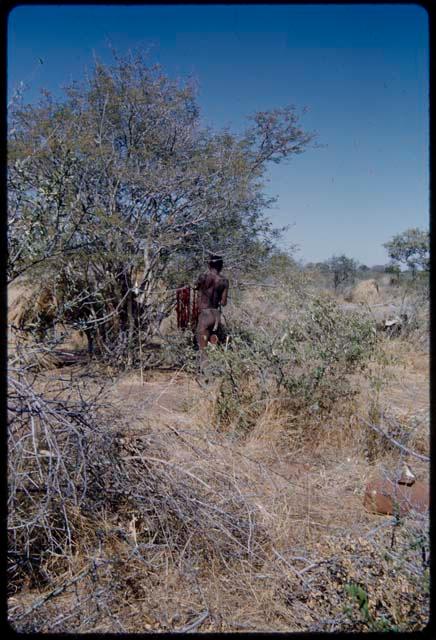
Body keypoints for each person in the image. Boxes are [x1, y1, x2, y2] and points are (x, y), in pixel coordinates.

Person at [195, 254, 229, 355]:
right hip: (216, 315)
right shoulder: (224, 281)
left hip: (205, 314)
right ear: (221, 266)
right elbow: (223, 303)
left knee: (202, 348)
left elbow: (195, 287)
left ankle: (204, 368)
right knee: (213, 343)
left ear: (209, 265)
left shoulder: (203, 277)